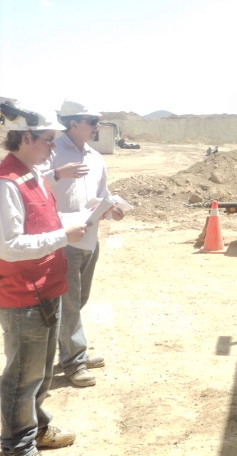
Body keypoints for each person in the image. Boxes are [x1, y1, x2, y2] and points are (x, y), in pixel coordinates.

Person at [0, 100, 85, 455]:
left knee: (41, 373)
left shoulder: (32, 173)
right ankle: (17, 446)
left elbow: (42, 218)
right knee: (23, 376)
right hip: (24, 297)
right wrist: (64, 236)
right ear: (25, 138)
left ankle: (37, 429)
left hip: (47, 289)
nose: (53, 147)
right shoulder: (6, 183)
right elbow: (9, 247)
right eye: (48, 139)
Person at [38, 100, 125, 387]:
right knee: (70, 303)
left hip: (89, 240)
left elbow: (101, 196)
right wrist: (58, 174)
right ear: (73, 122)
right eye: (91, 121)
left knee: (79, 300)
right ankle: (74, 361)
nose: (97, 126)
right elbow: (31, 186)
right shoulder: (51, 151)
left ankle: (72, 349)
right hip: (63, 240)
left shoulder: (95, 157)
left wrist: (111, 210)